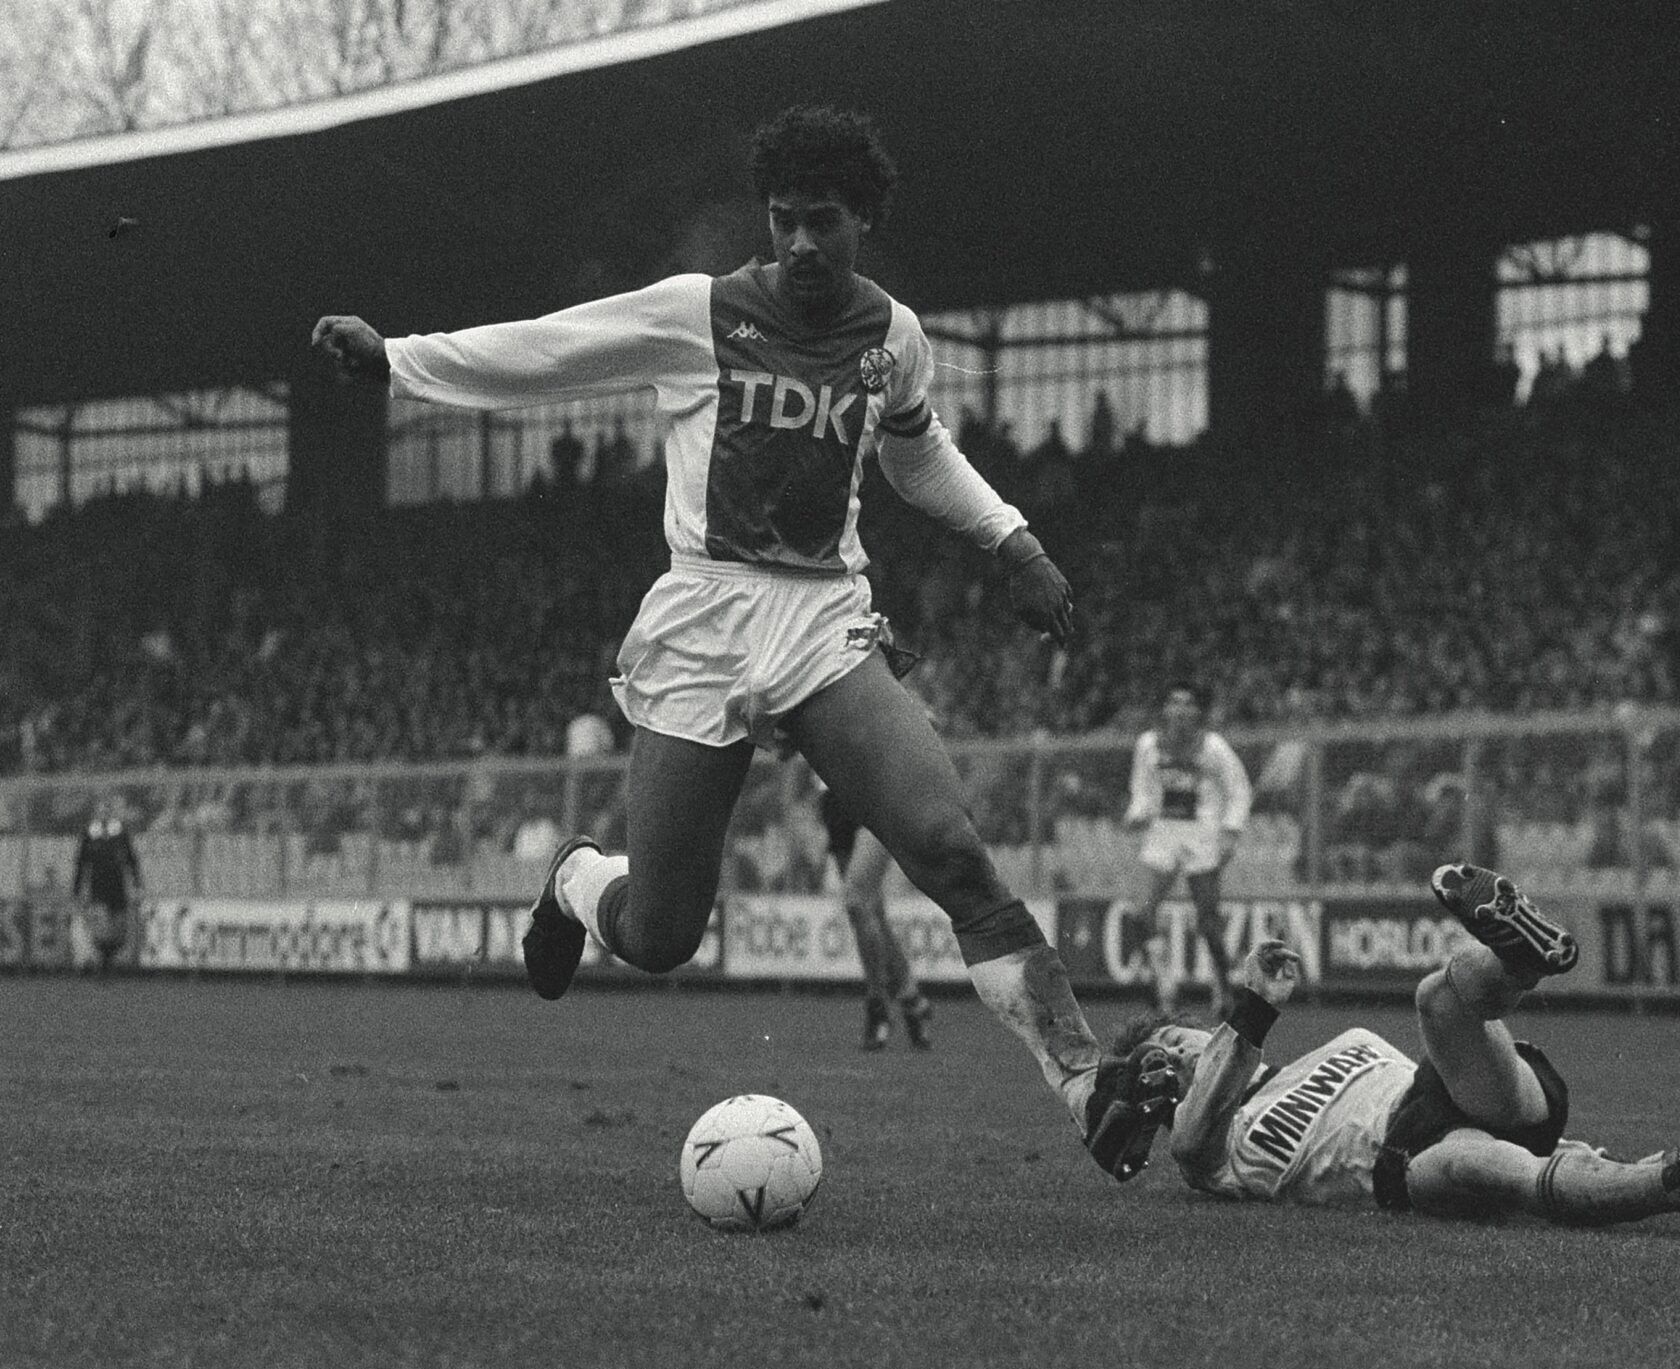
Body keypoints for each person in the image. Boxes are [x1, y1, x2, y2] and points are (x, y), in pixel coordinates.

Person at [311, 103, 1166, 1178]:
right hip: (704, 621)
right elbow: (552, 349)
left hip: (821, 620)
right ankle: (577, 879)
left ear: (862, 220)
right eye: (783, 219)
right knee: (660, 934)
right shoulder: (698, 313)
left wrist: (1012, 539)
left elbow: (914, 453)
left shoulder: (893, 337)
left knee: (949, 849)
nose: (801, 241)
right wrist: (397, 361)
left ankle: (1085, 1083)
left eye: (823, 221)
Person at [1096, 864, 1680, 1226]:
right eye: (1167, 1060)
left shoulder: (1297, 1063)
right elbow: (1189, 1135)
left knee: (1435, 999)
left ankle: (1520, 960)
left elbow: (1228, 1053)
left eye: (1178, 1040)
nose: (1179, 1056)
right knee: (1498, 1169)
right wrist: (1252, 1007)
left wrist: (1244, 1020)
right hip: (1407, 1162)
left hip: (1450, 1087)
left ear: (1206, 1031)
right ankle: (1674, 1180)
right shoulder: (1209, 1152)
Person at [1124, 682, 1253, 1011]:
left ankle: (1223, 984)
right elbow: (1142, 788)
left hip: (1201, 834)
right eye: (1174, 702)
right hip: (1163, 832)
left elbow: (1239, 789)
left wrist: (1230, 831)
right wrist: (1137, 814)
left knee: (1208, 921)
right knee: (1140, 911)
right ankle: (1164, 982)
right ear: (1164, 709)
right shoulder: (1148, 744)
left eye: (1187, 703)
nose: (1180, 710)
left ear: (1198, 711)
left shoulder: (1213, 747)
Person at [818, 781, 932, 1052]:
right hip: (834, 796)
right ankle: (913, 1000)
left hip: (876, 792)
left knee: (857, 900)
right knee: (869, 911)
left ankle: (878, 1005)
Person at [70, 797, 143, 973]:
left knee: (118, 925)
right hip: (98, 886)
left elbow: (131, 859)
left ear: (110, 813)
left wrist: (137, 882)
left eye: (106, 810)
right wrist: (77, 887)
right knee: (101, 923)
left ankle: (111, 959)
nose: (103, 814)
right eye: (100, 810)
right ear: (96, 813)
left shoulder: (120, 832)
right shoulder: (89, 833)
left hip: (117, 885)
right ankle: (102, 960)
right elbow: (81, 862)